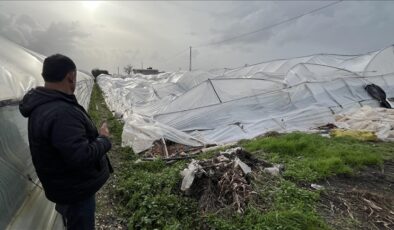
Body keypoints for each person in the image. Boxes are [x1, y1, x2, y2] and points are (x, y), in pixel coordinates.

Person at [19, 54, 113, 230]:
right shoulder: (61, 112)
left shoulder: (43, 105)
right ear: (71, 76)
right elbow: (81, 156)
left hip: (63, 185)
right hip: (75, 192)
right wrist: (104, 139)